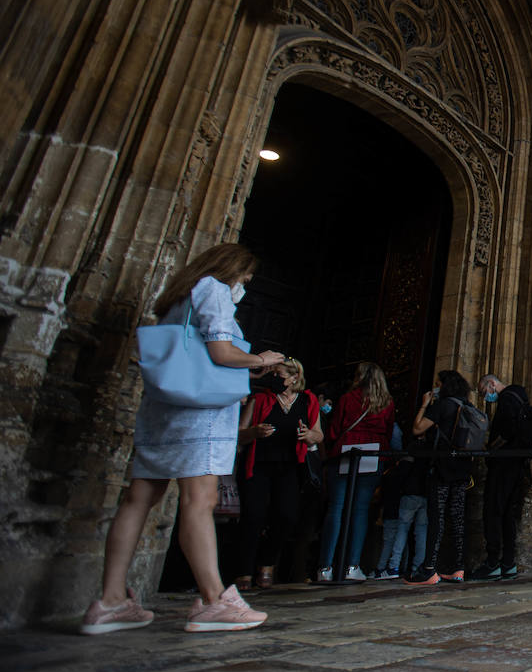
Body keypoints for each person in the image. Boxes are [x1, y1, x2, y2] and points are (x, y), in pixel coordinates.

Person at [81, 243, 280, 634]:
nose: (244, 285)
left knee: (140, 497)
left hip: (163, 409)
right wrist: (262, 360)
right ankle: (213, 599)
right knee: (200, 498)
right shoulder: (214, 289)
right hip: (198, 415)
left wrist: (246, 371)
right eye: (245, 278)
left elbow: (195, 353)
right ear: (231, 270)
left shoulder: (177, 297)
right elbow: (222, 352)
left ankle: (111, 600)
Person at [235, 357, 322, 589]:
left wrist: (309, 436)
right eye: (272, 374)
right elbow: (240, 433)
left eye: (280, 375)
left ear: (294, 377)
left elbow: (318, 435)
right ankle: (243, 570)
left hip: (289, 467)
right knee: (253, 516)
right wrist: (254, 432)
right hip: (259, 464)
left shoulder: (308, 400)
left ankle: (267, 563)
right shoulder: (261, 399)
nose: (275, 379)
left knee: (286, 516)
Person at [319, 362, 395, 582]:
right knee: (360, 510)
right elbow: (388, 432)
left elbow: (334, 430)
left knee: (336, 508)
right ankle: (352, 565)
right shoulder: (387, 403)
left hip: (346, 451)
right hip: (372, 454)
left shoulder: (347, 399)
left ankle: (325, 567)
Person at [407, 370, 476, 584]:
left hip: (443, 467)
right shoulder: (469, 407)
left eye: (438, 383)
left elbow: (418, 429)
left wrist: (424, 404)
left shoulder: (443, 405)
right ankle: (458, 568)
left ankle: (428, 568)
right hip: (462, 469)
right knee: (457, 518)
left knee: (436, 517)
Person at [473, 373, 532, 580]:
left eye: (485, 392)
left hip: (504, 463)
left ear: (492, 384)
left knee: (493, 510)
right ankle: (508, 562)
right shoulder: (520, 397)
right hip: (517, 464)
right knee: (508, 513)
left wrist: (492, 447)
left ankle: (493, 562)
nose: (486, 397)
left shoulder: (507, 398)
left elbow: (509, 430)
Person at [375, 450, 428, 579]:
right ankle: (418, 567)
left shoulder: (410, 452)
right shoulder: (431, 448)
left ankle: (393, 566)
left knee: (402, 529)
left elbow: (401, 476)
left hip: (409, 493)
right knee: (421, 531)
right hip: (425, 493)